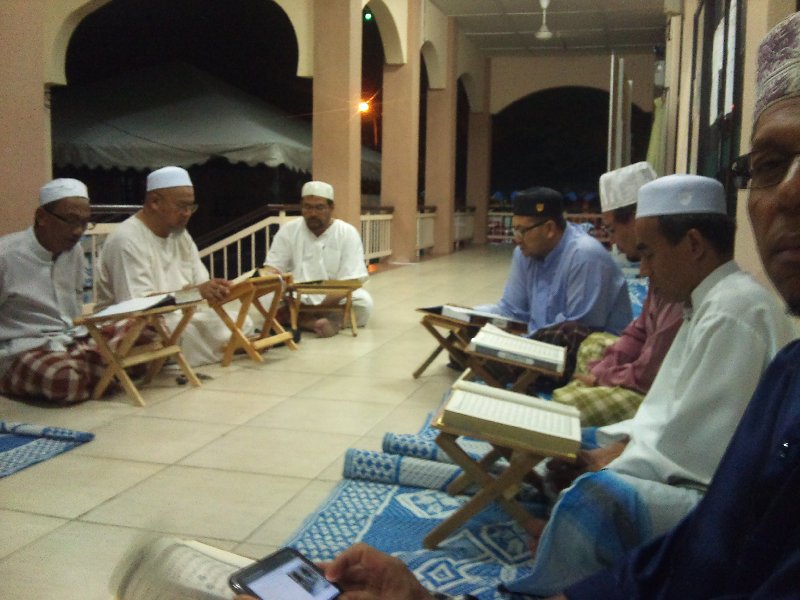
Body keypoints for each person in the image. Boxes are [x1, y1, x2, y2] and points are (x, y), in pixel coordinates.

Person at [239, 14, 800, 600]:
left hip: (632, 422)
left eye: (646, 250)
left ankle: (544, 552)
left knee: (586, 472)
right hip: (626, 413)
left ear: (693, 245)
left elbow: (690, 447)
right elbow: (665, 405)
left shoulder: (732, 312)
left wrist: (608, 453)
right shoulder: (726, 315)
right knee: (534, 389)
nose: (640, 266)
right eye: (768, 166)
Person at [550, 162, 683, 426]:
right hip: (644, 369)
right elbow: (640, 331)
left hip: (661, 391)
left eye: (611, 229)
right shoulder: (659, 266)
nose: (611, 241)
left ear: (636, 220)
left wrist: (603, 377)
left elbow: (650, 370)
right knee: (592, 345)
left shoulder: (678, 276)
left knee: (564, 405)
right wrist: (603, 370)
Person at [0, 179, 149, 403]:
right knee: (63, 379)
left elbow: (74, 311)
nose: (78, 231)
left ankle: (96, 371)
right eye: (70, 221)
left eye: (84, 222)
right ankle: (105, 372)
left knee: (146, 332)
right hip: (24, 349)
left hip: (72, 340)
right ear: (42, 217)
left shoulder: (75, 251)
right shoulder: (6, 256)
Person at [474, 186, 633, 383]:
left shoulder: (584, 256)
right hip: (542, 341)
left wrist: (520, 347)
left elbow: (577, 332)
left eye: (522, 231)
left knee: (565, 334)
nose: (517, 239)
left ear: (549, 229)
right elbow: (511, 310)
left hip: (592, 353)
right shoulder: (525, 253)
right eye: (515, 230)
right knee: (471, 334)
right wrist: (469, 316)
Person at [96, 166, 247, 367]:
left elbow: (199, 284)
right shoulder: (126, 239)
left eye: (191, 207)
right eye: (181, 207)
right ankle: (227, 348)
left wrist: (216, 289)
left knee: (241, 320)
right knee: (179, 333)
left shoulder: (180, 235)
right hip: (135, 325)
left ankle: (218, 349)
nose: (187, 214)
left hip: (179, 317)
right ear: (154, 202)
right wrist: (195, 293)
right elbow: (137, 307)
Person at [264, 180, 373, 337]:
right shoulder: (288, 230)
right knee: (265, 297)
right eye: (307, 207)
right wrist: (273, 279)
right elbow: (273, 268)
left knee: (364, 304)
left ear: (331, 208)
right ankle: (321, 323)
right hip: (295, 295)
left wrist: (317, 308)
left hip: (333, 297)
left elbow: (352, 280)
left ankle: (299, 319)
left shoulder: (347, 232)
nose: (313, 213)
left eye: (319, 207)